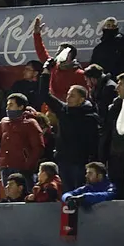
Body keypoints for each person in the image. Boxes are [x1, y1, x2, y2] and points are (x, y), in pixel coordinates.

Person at [40, 63, 99, 191]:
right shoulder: (63, 110)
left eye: (72, 95)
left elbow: (94, 141)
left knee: (80, 192)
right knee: (67, 193)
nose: (68, 98)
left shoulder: (90, 117)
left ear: (82, 99)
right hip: (63, 160)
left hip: (80, 162)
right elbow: (45, 95)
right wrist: (46, 72)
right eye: (67, 94)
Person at [32, 17, 86, 101]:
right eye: (58, 52)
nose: (58, 55)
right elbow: (41, 51)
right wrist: (36, 34)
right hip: (52, 108)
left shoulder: (80, 74)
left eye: (62, 52)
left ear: (70, 56)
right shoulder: (53, 66)